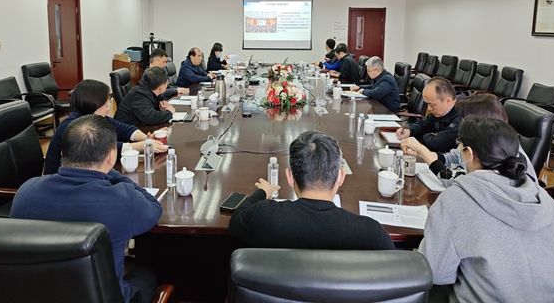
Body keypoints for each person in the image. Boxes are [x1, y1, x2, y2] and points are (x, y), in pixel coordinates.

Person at [11, 115, 164, 303]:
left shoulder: (25, 192)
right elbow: (154, 208)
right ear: (111, 156)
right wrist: (112, 173)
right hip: (103, 297)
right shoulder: (122, 199)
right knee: (148, 272)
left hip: (37, 294)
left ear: (62, 153)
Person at [418, 116, 554, 303]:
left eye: (459, 145)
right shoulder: (546, 200)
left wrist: (425, 153)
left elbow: (435, 272)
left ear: (469, 153)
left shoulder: (457, 198)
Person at [228, 131, 395, 250]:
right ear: (341, 177)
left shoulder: (264, 216)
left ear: (290, 177)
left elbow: (236, 219)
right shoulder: (372, 234)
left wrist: (263, 191)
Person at [401, 93, 537, 180]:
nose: (462, 125)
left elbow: (453, 181)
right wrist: (421, 152)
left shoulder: (498, 153)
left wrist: (423, 151)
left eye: (464, 121)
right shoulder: (480, 139)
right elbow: (452, 158)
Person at [44, 79, 167, 175]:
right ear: (92, 102)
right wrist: (145, 145)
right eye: (105, 102)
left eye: (109, 100)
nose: (109, 106)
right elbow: (103, 149)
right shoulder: (74, 126)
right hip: (61, 181)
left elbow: (123, 129)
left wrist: (146, 138)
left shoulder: (95, 116)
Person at [396, 76, 460, 152]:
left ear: (447, 101)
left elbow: (436, 144)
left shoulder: (462, 116)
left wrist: (427, 135)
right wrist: (409, 130)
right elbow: (423, 124)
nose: (429, 108)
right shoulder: (440, 112)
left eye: (432, 104)